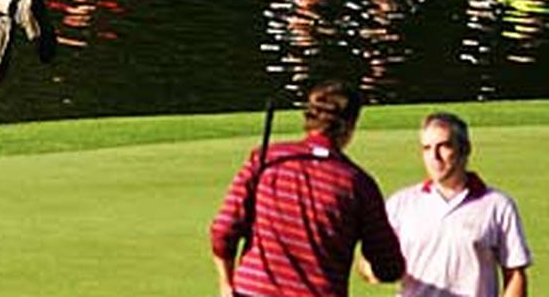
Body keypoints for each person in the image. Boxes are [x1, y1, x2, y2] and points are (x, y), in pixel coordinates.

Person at [210, 79, 405, 297]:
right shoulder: (357, 184)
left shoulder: (266, 159)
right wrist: (372, 270)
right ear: (350, 125)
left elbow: (223, 231)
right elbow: (389, 266)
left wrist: (226, 283)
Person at [376, 112, 532, 297]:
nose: (434, 156)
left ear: (464, 149)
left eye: (443, 146)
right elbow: (372, 259)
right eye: (427, 148)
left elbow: (515, 274)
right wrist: (375, 268)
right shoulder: (401, 204)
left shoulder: (497, 206)